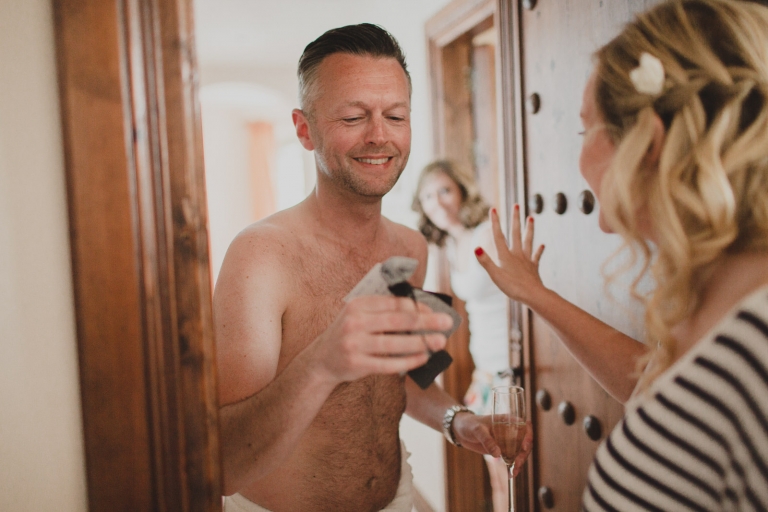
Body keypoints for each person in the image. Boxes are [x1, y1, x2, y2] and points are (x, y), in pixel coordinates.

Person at [214, 23, 532, 512]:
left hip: (396, 496)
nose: (379, 136)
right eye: (353, 117)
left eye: (396, 116)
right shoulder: (260, 256)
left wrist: (458, 419)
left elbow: (401, 375)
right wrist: (322, 362)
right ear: (304, 129)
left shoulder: (410, 248)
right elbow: (225, 462)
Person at [475, 0, 768, 508]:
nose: (580, 156)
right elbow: (653, 384)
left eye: (587, 131)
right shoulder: (722, 299)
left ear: (649, 144)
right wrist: (535, 295)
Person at [412, 160, 515, 512]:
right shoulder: (451, 247)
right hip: (484, 366)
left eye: (444, 191)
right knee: (496, 472)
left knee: (511, 471)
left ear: (461, 193)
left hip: (509, 364)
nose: (437, 202)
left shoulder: (487, 234)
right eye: (427, 197)